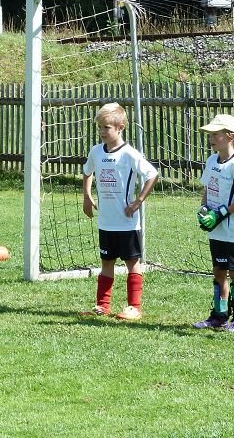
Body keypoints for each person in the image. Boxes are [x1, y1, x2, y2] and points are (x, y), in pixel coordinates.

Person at [80, 102, 159, 321]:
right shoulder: (96, 152)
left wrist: (137, 202)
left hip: (127, 223)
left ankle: (134, 307)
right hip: (106, 222)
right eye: (100, 128)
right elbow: (88, 172)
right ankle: (102, 305)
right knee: (106, 263)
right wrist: (87, 196)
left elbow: (152, 175)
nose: (102, 132)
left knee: (132, 263)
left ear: (121, 127)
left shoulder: (129, 154)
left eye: (107, 127)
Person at [193, 114, 234, 332]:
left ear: (230, 137)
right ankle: (219, 316)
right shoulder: (211, 161)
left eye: (215, 133)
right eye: (210, 134)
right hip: (215, 229)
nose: (211, 137)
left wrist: (222, 213)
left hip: (233, 230)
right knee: (218, 270)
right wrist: (204, 210)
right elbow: (207, 189)